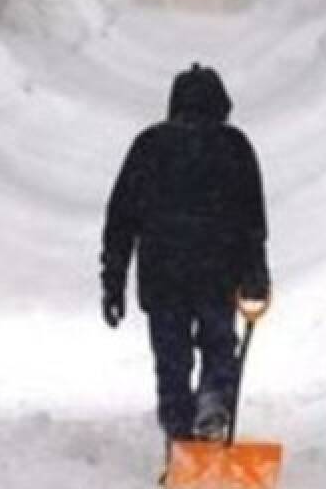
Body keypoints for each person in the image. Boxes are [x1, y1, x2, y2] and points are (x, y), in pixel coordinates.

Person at [99, 62, 271, 446]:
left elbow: (120, 220)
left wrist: (113, 281)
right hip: (217, 272)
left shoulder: (149, 146)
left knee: (171, 361)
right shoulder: (234, 147)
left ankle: (179, 436)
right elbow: (252, 221)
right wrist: (256, 274)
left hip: (163, 276)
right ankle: (213, 401)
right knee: (218, 346)